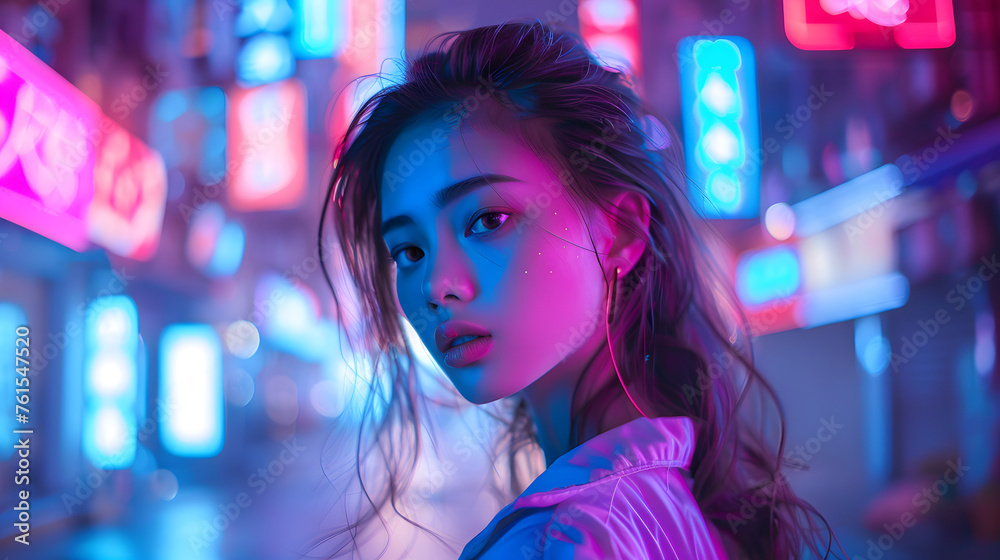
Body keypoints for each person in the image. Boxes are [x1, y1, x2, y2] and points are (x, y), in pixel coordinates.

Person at [318, 20, 842, 559]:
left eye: (487, 219)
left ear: (623, 233)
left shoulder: (562, 539)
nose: (435, 285)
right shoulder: (667, 495)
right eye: (409, 252)